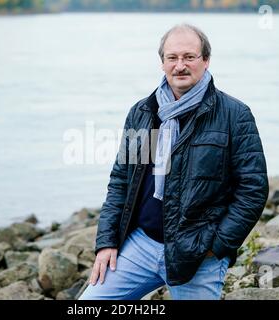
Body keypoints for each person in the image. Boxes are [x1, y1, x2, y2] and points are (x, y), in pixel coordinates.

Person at [78, 23, 268, 300]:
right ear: (162, 63)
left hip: (198, 256)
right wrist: (106, 242)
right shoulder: (144, 112)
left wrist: (217, 247)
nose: (180, 65)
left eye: (189, 57)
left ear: (205, 60)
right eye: (173, 58)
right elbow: (121, 182)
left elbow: (253, 189)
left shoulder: (234, 115)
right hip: (140, 245)